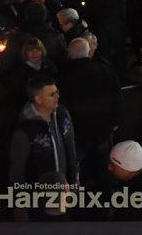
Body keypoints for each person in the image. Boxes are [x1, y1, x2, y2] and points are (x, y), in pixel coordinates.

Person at [9, 75, 78, 221]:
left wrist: (74, 183)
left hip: (65, 195)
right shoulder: (25, 130)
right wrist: (20, 204)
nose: (57, 96)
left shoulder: (62, 115)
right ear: (38, 99)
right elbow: (17, 171)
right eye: (52, 94)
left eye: (57, 92)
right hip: (39, 201)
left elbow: (71, 150)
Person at [59, 37, 122, 192]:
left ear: (70, 54)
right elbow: (116, 97)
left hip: (77, 131)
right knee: (104, 165)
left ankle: (76, 196)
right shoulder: (105, 70)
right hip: (102, 128)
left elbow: (62, 105)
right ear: (88, 53)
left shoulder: (64, 75)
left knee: (76, 166)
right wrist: (116, 120)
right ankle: (107, 196)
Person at [94, 0, 134, 81]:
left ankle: (105, 75)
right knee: (119, 48)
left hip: (100, 14)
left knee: (104, 48)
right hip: (115, 16)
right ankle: (121, 77)